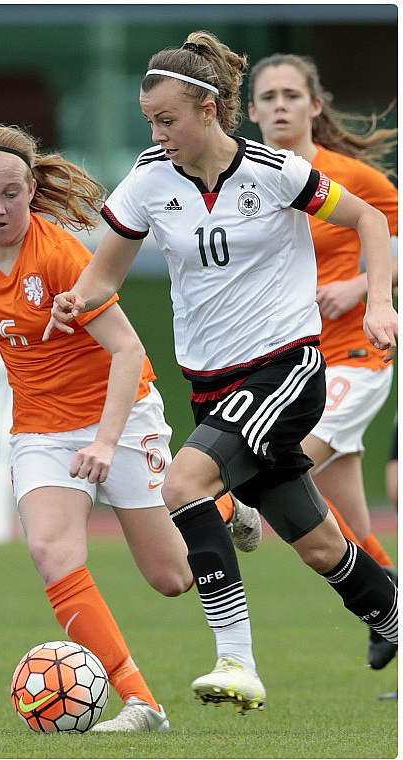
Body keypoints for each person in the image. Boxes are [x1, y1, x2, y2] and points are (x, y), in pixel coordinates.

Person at [45, 30, 398, 714]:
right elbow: (103, 276)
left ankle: (237, 661)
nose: (158, 132)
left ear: (208, 110)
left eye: (168, 119)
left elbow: (370, 224)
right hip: (212, 390)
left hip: (286, 371)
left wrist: (377, 299)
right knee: (323, 545)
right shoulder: (150, 177)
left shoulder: (274, 170)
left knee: (185, 482)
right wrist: (75, 299)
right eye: (150, 120)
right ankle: (391, 615)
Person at [0, 124, 266, 732]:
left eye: (11, 193)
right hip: (40, 431)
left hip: (117, 416)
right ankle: (141, 702)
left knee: (172, 577)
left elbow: (127, 352)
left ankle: (221, 507)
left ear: (31, 188)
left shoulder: (64, 255)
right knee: (51, 551)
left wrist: (103, 438)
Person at [246, 52, 399, 670]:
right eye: (268, 96)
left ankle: (229, 515)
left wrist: (364, 290)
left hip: (354, 358)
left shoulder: (351, 178)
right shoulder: (247, 185)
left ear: (314, 105)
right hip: (292, 366)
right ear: (251, 112)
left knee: (273, 463)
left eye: (291, 94)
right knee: (344, 520)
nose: (280, 105)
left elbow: (390, 239)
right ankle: (389, 603)